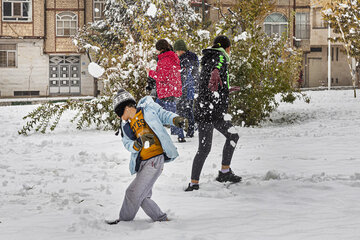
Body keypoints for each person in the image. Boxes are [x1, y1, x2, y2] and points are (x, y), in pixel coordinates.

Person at [106, 88, 188, 224]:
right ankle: (161, 219)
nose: (119, 118)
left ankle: (124, 222)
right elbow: (127, 143)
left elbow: (163, 114)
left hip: (154, 159)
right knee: (142, 196)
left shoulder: (148, 109)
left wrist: (175, 119)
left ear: (125, 109)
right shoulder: (126, 126)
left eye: (119, 113)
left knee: (132, 192)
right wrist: (136, 145)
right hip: (143, 162)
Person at [185, 35, 241, 192]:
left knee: (233, 135)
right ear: (226, 48)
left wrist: (225, 90)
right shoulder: (219, 57)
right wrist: (216, 71)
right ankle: (193, 183)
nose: (229, 52)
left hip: (214, 111)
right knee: (204, 149)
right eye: (230, 49)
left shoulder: (211, 58)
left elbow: (210, 84)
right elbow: (217, 65)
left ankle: (225, 172)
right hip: (206, 112)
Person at [147, 39, 186, 143]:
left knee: (156, 113)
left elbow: (162, 77)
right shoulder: (171, 56)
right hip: (171, 90)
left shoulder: (165, 59)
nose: (156, 52)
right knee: (162, 112)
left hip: (167, 91)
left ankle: (179, 135)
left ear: (161, 49)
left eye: (157, 50)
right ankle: (179, 135)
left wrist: (150, 73)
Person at [173, 39, 199, 138]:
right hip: (191, 87)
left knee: (182, 109)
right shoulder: (193, 56)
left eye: (176, 51)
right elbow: (196, 73)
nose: (176, 53)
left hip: (185, 87)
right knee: (189, 109)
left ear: (180, 50)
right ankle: (190, 130)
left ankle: (186, 130)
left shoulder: (183, 59)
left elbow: (184, 74)